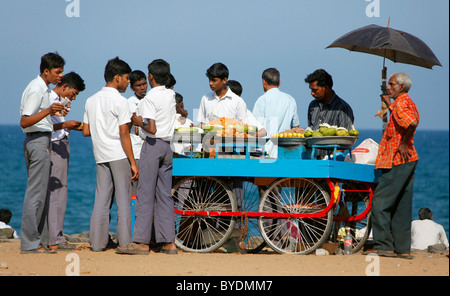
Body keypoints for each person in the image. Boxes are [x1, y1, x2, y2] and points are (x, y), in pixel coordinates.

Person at [116, 59, 177, 255]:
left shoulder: (149, 98)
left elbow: (151, 128)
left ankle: (142, 242)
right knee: (165, 195)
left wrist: (137, 121)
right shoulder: (171, 94)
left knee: (144, 194)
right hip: (168, 146)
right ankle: (169, 242)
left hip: (152, 145)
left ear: (150, 77)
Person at [82, 57, 138, 252]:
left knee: (101, 200)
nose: (128, 82)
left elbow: (86, 131)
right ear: (117, 77)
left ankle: (97, 244)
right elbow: (124, 133)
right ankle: (125, 243)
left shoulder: (90, 100)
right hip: (119, 154)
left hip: (100, 153)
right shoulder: (120, 101)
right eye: (126, 78)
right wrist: (133, 162)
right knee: (123, 200)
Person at [365, 72, 420, 259]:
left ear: (401, 87)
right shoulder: (404, 103)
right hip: (409, 160)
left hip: (397, 159)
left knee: (380, 202)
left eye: (391, 84)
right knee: (401, 206)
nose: (388, 87)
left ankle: (384, 246)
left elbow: (411, 122)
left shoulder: (402, 103)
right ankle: (402, 248)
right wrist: (388, 103)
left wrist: (403, 144)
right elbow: (401, 118)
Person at [19, 52, 66, 254]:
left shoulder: (40, 88)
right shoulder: (37, 89)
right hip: (38, 141)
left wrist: (52, 111)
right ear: (46, 71)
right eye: (58, 72)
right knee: (36, 194)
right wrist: (48, 111)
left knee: (39, 192)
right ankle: (30, 244)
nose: (60, 76)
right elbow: (25, 121)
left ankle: (38, 241)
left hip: (38, 140)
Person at [48, 72, 85, 251]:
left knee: (57, 192)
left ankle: (53, 236)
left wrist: (68, 124)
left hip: (59, 143)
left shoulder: (56, 100)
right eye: (74, 93)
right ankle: (55, 239)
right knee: (58, 192)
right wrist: (65, 124)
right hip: (55, 146)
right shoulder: (49, 98)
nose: (74, 97)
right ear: (65, 87)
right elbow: (44, 126)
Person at [252, 68, 300, 158]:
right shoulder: (290, 99)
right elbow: (296, 128)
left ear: (263, 82)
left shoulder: (262, 100)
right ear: (279, 82)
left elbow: (255, 128)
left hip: (266, 152)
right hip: (286, 152)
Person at [127, 70, 148, 198]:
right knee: (135, 188)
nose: (142, 88)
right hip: (136, 148)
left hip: (149, 146)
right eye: (138, 86)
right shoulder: (129, 102)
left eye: (144, 84)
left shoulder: (150, 99)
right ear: (132, 88)